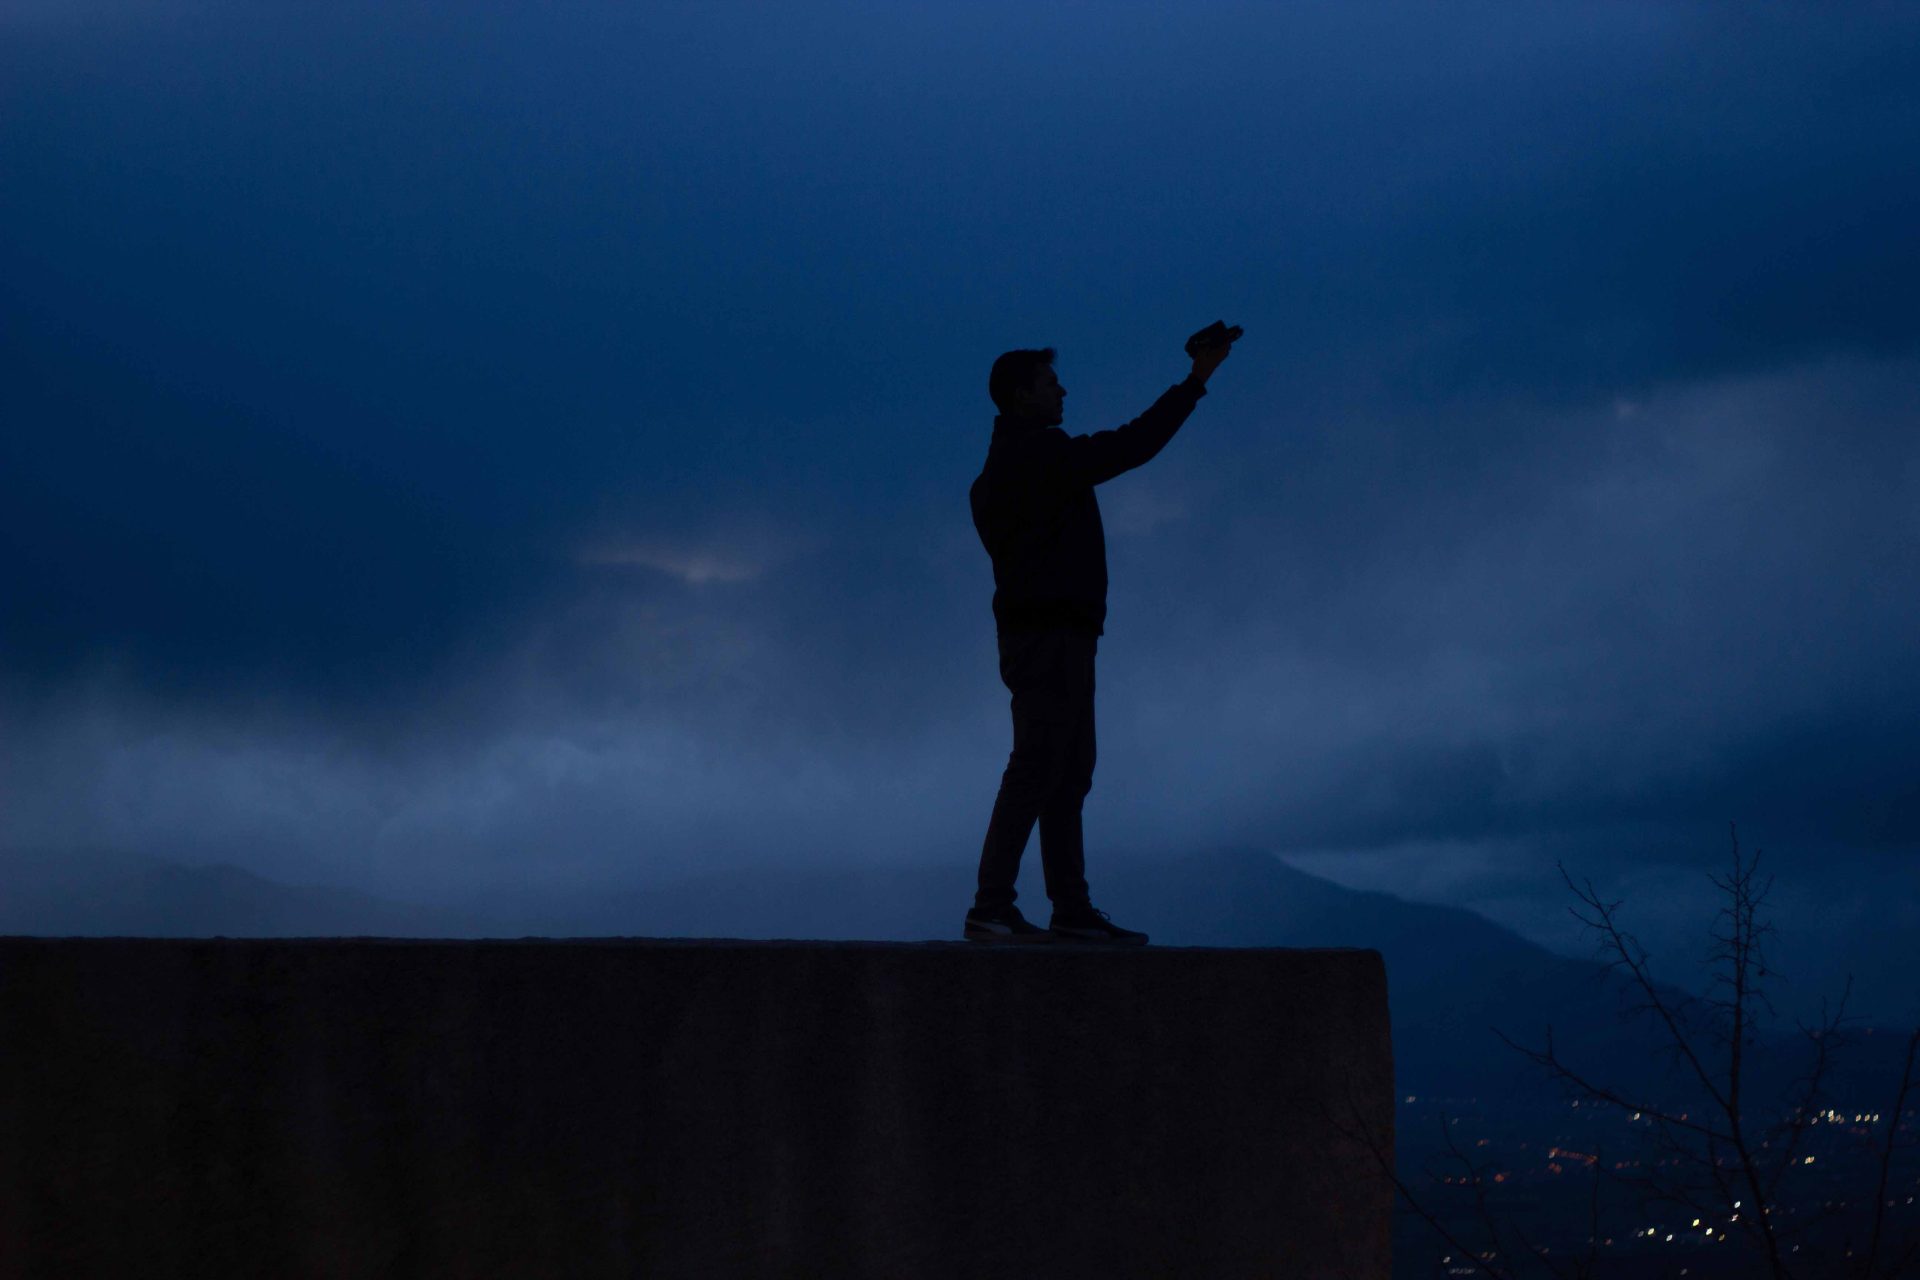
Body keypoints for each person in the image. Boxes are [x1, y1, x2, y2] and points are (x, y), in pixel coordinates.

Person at [963, 321, 1243, 944]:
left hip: (1052, 637)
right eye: (1051, 384)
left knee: (1064, 773)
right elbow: (1132, 445)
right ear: (1020, 397)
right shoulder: (1040, 458)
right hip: (1050, 639)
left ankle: (1068, 909)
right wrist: (1196, 380)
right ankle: (994, 905)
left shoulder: (1004, 470)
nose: (1063, 392)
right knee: (1040, 768)